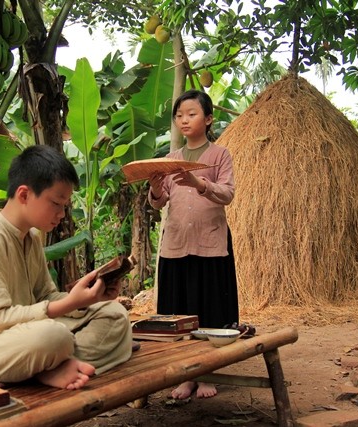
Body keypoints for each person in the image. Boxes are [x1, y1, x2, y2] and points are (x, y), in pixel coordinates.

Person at [0, 145, 133, 390]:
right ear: (24, 195)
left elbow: (45, 297)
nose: (62, 214)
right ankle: (49, 367)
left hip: (22, 335)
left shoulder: (30, 238)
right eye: (56, 203)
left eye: (64, 205)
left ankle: (48, 368)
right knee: (54, 337)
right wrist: (69, 303)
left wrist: (89, 299)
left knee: (114, 315)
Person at [148, 89, 239, 399]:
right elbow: (159, 204)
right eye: (179, 115)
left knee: (210, 310)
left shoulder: (220, 155)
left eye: (191, 114)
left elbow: (227, 194)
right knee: (178, 312)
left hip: (210, 242)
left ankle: (208, 372)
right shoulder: (170, 159)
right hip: (176, 242)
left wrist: (198, 183)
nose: (183, 120)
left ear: (208, 119)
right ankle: (185, 375)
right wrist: (156, 189)